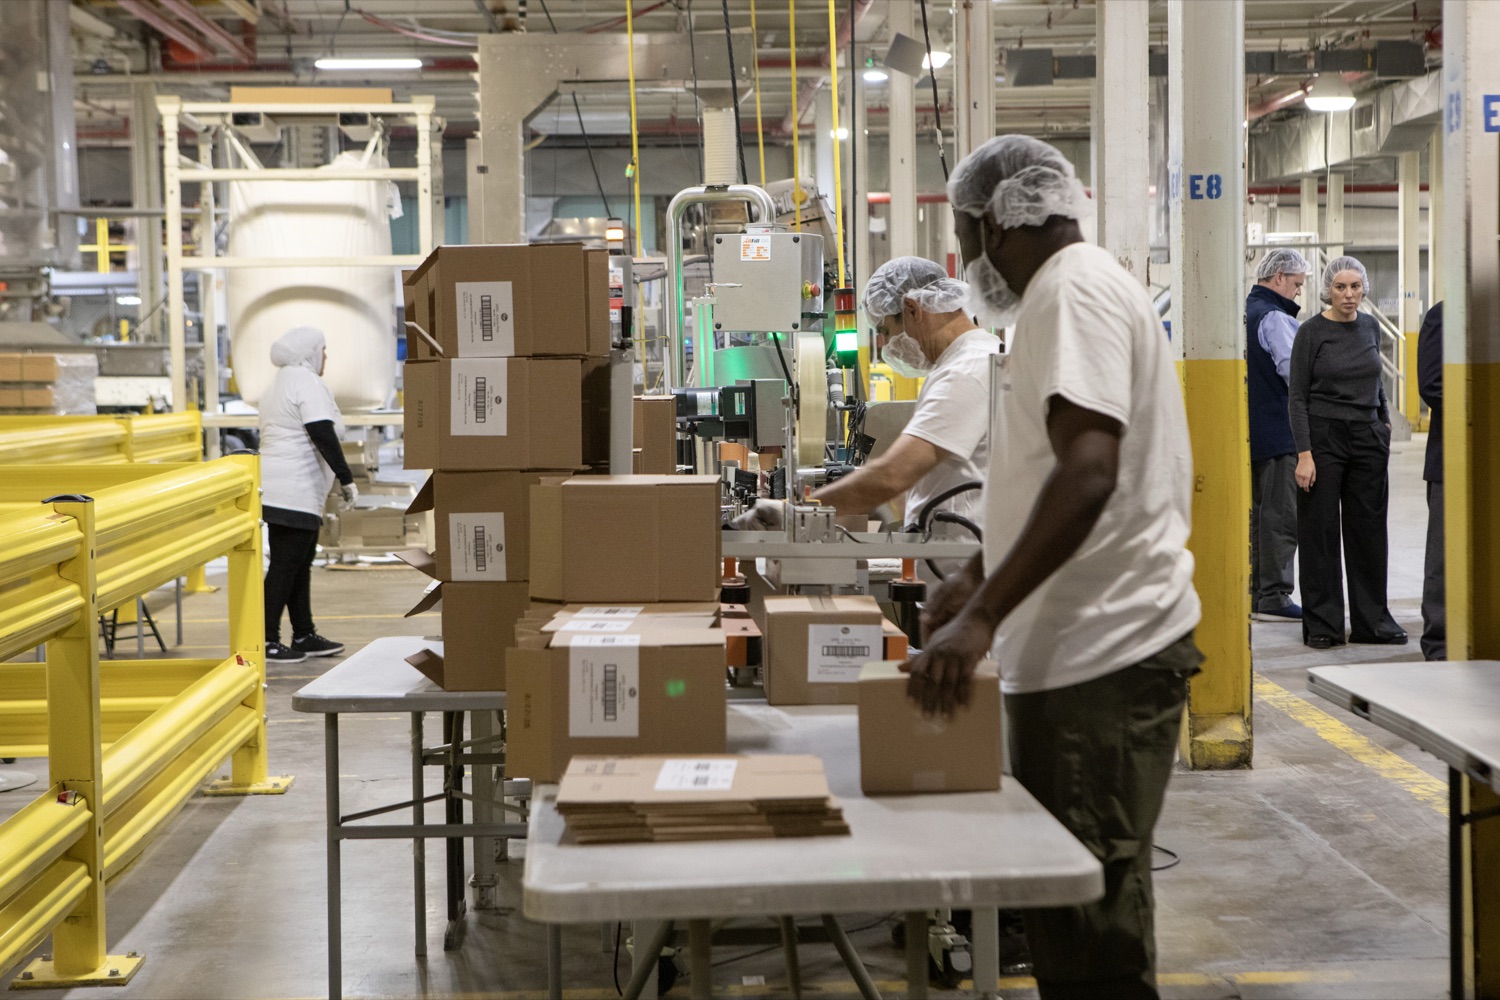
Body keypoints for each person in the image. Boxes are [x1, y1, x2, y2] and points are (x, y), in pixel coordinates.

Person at [906, 134, 1202, 1000]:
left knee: (1088, 936)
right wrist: (977, 575)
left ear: (1000, 219)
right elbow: (1049, 470)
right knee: (1074, 916)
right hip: (1079, 659)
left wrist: (983, 616)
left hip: (1100, 658)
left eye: (965, 233)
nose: (965, 259)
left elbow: (1089, 471)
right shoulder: (1072, 291)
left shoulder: (1071, 292)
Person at [732, 258, 999, 555]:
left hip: (960, 567)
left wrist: (798, 514)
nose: (885, 343)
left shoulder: (965, 371)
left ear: (912, 310)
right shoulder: (968, 361)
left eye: (884, 330)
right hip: (951, 560)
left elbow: (893, 475)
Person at [1288, 256, 1406, 650]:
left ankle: (1373, 621)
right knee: (1320, 531)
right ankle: (1323, 624)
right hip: (1324, 438)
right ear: (1328, 289)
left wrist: (1383, 421)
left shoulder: (1370, 327)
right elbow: (1297, 397)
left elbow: (1377, 381)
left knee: (1369, 531)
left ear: (1364, 288)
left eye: (1355, 286)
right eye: (1340, 287)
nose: (1349, 295)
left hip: (1368, 437)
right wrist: (1305, 453)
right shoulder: (1311, 332)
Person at [259, 326, 356, 664]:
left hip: (282, 488)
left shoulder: (279, 383)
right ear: (311, 352)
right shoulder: (305, 381)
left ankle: (303, 634)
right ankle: (266, 639)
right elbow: (321, 431)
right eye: (324, 350)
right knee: (287, 565)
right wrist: (346, 477)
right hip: (293, 489)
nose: (326, 356)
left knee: (299, 564)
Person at [1246, 248, 1310, 623]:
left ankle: (1258, 592)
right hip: (1281, 432)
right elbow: (1294, 373)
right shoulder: (1273, 317)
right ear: (1279, 278)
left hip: (1255, 433)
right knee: (1281, 517)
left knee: (1260, 516)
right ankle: (1275, 594)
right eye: (1297, 285)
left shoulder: (1247, 311)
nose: (1298, 293)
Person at [1417, 301, 1445, 660]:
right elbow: (1432, 384)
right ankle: (1440, 641)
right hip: (1452, 455)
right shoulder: (1444, 314)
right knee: (1444, 554)